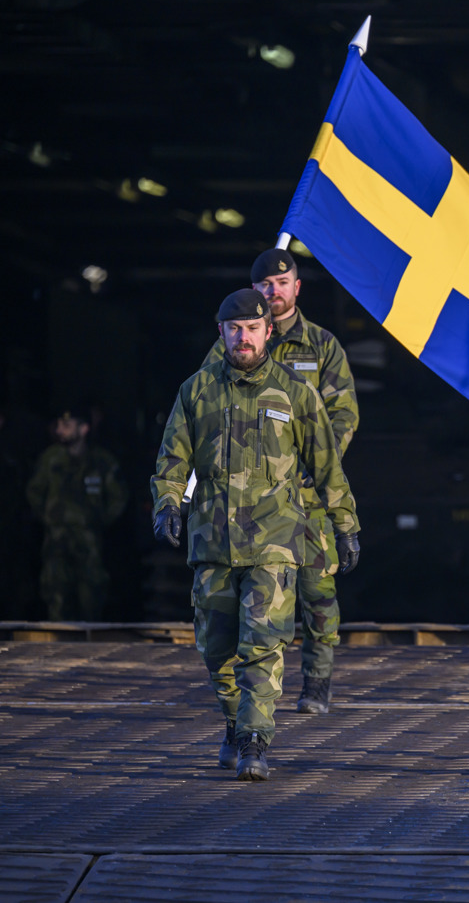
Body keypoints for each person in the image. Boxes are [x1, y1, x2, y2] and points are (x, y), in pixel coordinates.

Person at [151, 289, 360, 781]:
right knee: (216, 649)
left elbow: (327, 466)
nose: (243, 337)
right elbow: (173, 459)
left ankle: (254, 741)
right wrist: (167, 505)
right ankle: (233, 720)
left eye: (252, 328)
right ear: (220, 332)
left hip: (274, 542)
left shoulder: (295, 393)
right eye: (234, 328)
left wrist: (346, 525)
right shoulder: (196, 392)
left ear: (269, 330)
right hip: (212, 542)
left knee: (264, 643)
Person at [203, 248, 359, 714]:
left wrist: (315, 464)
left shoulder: (323, 346)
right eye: (265, 285)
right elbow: (207, 404)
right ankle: (252, 695)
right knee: (249, 600)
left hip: (306, 495)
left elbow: (343, 415)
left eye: (282, 282)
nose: (274, 291)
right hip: (251, 498)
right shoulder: (235, 341)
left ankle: (316, 681)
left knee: (316, 590)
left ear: (297, 287)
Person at [26, 404, 127, 620]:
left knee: (91, 598)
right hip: (56, 541)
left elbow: (118, 497)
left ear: (83, 429)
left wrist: (97, 520)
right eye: (60, 424)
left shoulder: (101, 461)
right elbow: (34, 492)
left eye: (67, 425)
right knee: (56, 598)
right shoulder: (50, 459)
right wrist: (48, 517)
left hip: (88, 542)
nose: (60, 429)